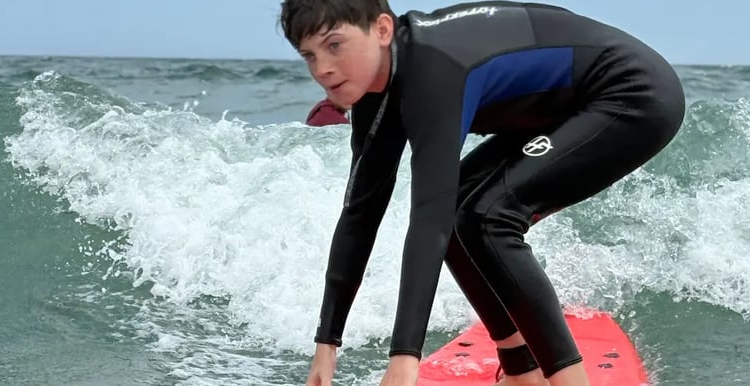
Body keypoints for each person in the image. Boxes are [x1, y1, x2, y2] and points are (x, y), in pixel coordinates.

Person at [279, 1, 685, 385]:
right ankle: (521, 370)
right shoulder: (373, 90)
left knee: (489, 217)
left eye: (334, 46)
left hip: (633, 94)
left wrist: (404, 358)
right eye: (310, 55)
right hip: (562, 104)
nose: (324, 69)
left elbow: (428, 221)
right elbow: (360, 214)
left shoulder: (431, 70)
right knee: (464, 210)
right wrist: (326, 344)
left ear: (382, 29)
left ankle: (568, 379)